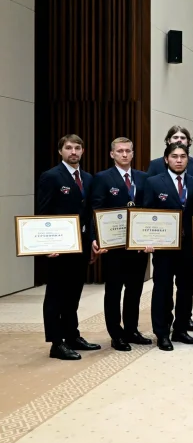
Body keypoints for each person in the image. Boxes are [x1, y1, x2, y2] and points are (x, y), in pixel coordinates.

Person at [37, 134, 100, 360]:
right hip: (59, 248)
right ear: (60, 151)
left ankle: (72, 336)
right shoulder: (51, 176)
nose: (73, 152)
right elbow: (43, 213)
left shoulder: (88, 178)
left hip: (80, 246)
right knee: (56, 295)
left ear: (83, 151)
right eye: (69, 148)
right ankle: (56, 343)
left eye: (77, 148)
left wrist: (92, 241)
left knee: (74, 294)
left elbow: (90, 215)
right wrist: (47, 245)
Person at [89, 137, 150, 351]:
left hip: (138, 246)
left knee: (135, 290)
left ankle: (132, 330)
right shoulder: (103, 178)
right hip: (113, 246)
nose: (124, 154)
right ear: (112, 154)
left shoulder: (143, 178)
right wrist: (95, 237)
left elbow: (149, 210)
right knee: (114, 291)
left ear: (133, 153)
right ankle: (116, 334)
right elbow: (95, 209)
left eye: (128, 151)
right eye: (120, 151)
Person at [142, 143, 193, 351]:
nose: (179, 160)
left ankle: (181, 329)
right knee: (163, 289)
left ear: (188, 159)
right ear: (166, 159)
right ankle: (162, 332)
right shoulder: (153, 182)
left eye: (183, 156)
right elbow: (146, 213)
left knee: (186, 289)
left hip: (189, 247)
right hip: (164, 248)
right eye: (174, 156)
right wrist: (146, 240)